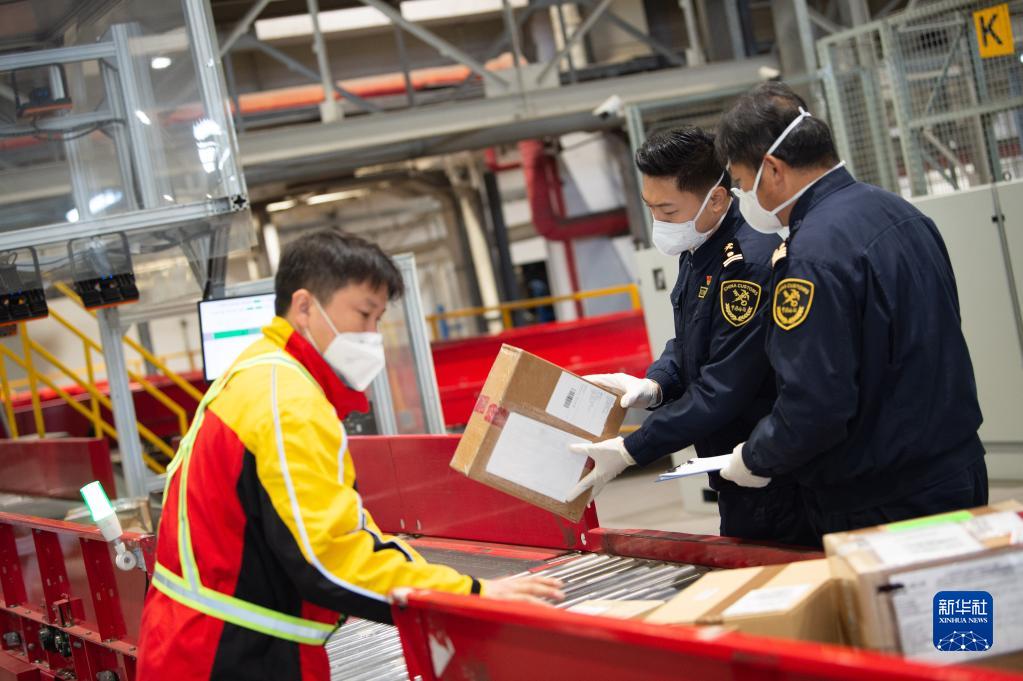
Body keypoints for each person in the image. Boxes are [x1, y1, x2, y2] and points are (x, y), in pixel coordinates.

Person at [137, 231, 563, 680]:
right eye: (364, 314)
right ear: (304, 307)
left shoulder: (257, 370)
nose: (372, 336)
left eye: (379, 319)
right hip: (232, 658)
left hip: (203, 644)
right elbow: (329, 557)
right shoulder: (288, 400)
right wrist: (466, 595)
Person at [713, 82, 987, 543]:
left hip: (885, 502)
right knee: (961, 609)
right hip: (955, 471)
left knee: (901, 614)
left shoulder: (811, 255)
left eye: (742, 183)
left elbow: (817, 403)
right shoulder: (899, 212)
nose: (745, 196)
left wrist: (756, 458)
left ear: (774, 169)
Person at [569, 126, 813, 546]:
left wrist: (633, 449)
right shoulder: (700, 249)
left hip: (773, 480)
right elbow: (689, 343)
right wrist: (656, 384)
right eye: (651, 210)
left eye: (668, 212)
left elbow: (722, 389)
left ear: (716, 199)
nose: (658, 225)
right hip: (735, 477)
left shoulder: (747, 267)